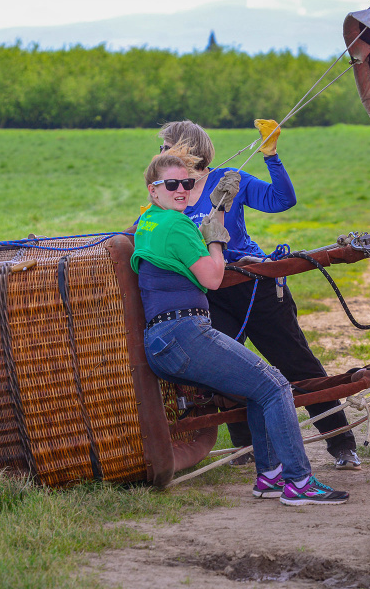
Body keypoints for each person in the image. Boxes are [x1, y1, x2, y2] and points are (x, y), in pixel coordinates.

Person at [133, 148, 348, 505]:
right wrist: (216, 239)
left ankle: (270, 475)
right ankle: (299, 481)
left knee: (255, 387)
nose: (182, 189)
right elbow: (214, 278)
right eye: (171, 184)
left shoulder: (149, 221)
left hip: (164, 339)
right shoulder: (177, 224)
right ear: (153, 190)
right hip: (185, 333)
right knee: (277, 385)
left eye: (187, 182)